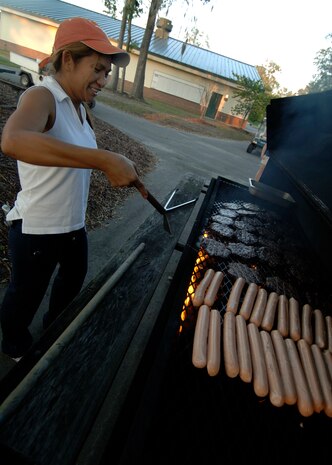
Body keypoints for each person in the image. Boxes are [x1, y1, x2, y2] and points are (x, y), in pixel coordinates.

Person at [0, 17, 148, 360]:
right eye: (97, 69)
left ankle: (52, 335)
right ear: (68, 60)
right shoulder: (43, 96)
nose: (103, 80)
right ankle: (15, 347)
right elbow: (13, 140)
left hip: (72, 226)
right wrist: (103, 159)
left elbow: (78, 161)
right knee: (25, 297)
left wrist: (114, 165)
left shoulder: (81, 108)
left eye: (107, 73)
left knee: (71, 285)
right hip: (37, 228)